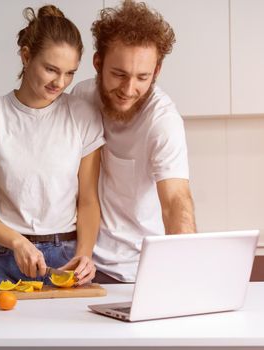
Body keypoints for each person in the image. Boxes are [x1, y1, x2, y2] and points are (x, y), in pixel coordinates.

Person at [0, 5, 104, 286]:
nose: (60, 82)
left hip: (64, 260)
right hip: (3, 256)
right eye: (51, 69)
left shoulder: (83, 114)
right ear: (26, 56)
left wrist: (84, 256)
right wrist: (15, 241)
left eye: (70, 73)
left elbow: (88, 200)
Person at [70, 0, 197, 283]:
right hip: (79, 260)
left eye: (142, 77)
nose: (128, 90)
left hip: (136, 271)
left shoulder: (163, 121)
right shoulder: (80, 98)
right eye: (118, 75)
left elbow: (175, 200)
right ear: (98, 63)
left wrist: (188, 270)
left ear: (157, 71)